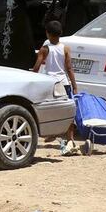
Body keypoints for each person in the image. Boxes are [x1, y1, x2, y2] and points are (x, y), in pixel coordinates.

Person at [32, 20, 78, 155]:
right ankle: (70, 139)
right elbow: (69, 68)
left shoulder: (45, 49)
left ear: (47, 33)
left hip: (50, 84)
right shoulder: (66, 48)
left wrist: (32, 77)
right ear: (60, 34)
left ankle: (51, 132)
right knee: (68, 112)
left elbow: (36, 67)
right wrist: (74, 86)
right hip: (64, 83)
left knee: (49, 110)